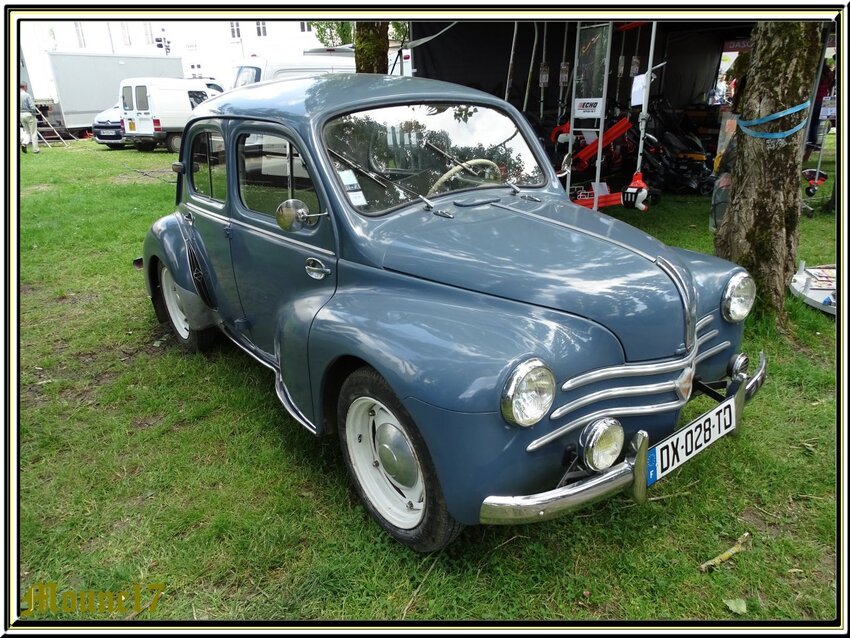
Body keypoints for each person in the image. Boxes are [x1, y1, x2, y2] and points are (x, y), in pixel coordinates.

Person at [803, 59, 835, 161]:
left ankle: (805, 151)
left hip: (814, 101)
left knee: (806, 126)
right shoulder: (828, 73)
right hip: (824, 101)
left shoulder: (813, 72)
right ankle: (807, 153)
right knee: (814, 127)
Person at [19, 83, 40, 154]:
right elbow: (32, 107)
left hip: (21, 115)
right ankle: (36, 150)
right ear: (24, 87)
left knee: (27, 132)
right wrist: (34, 115)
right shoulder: (27, 95)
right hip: (29, 114)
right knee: (33, 132)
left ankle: (24, 143)